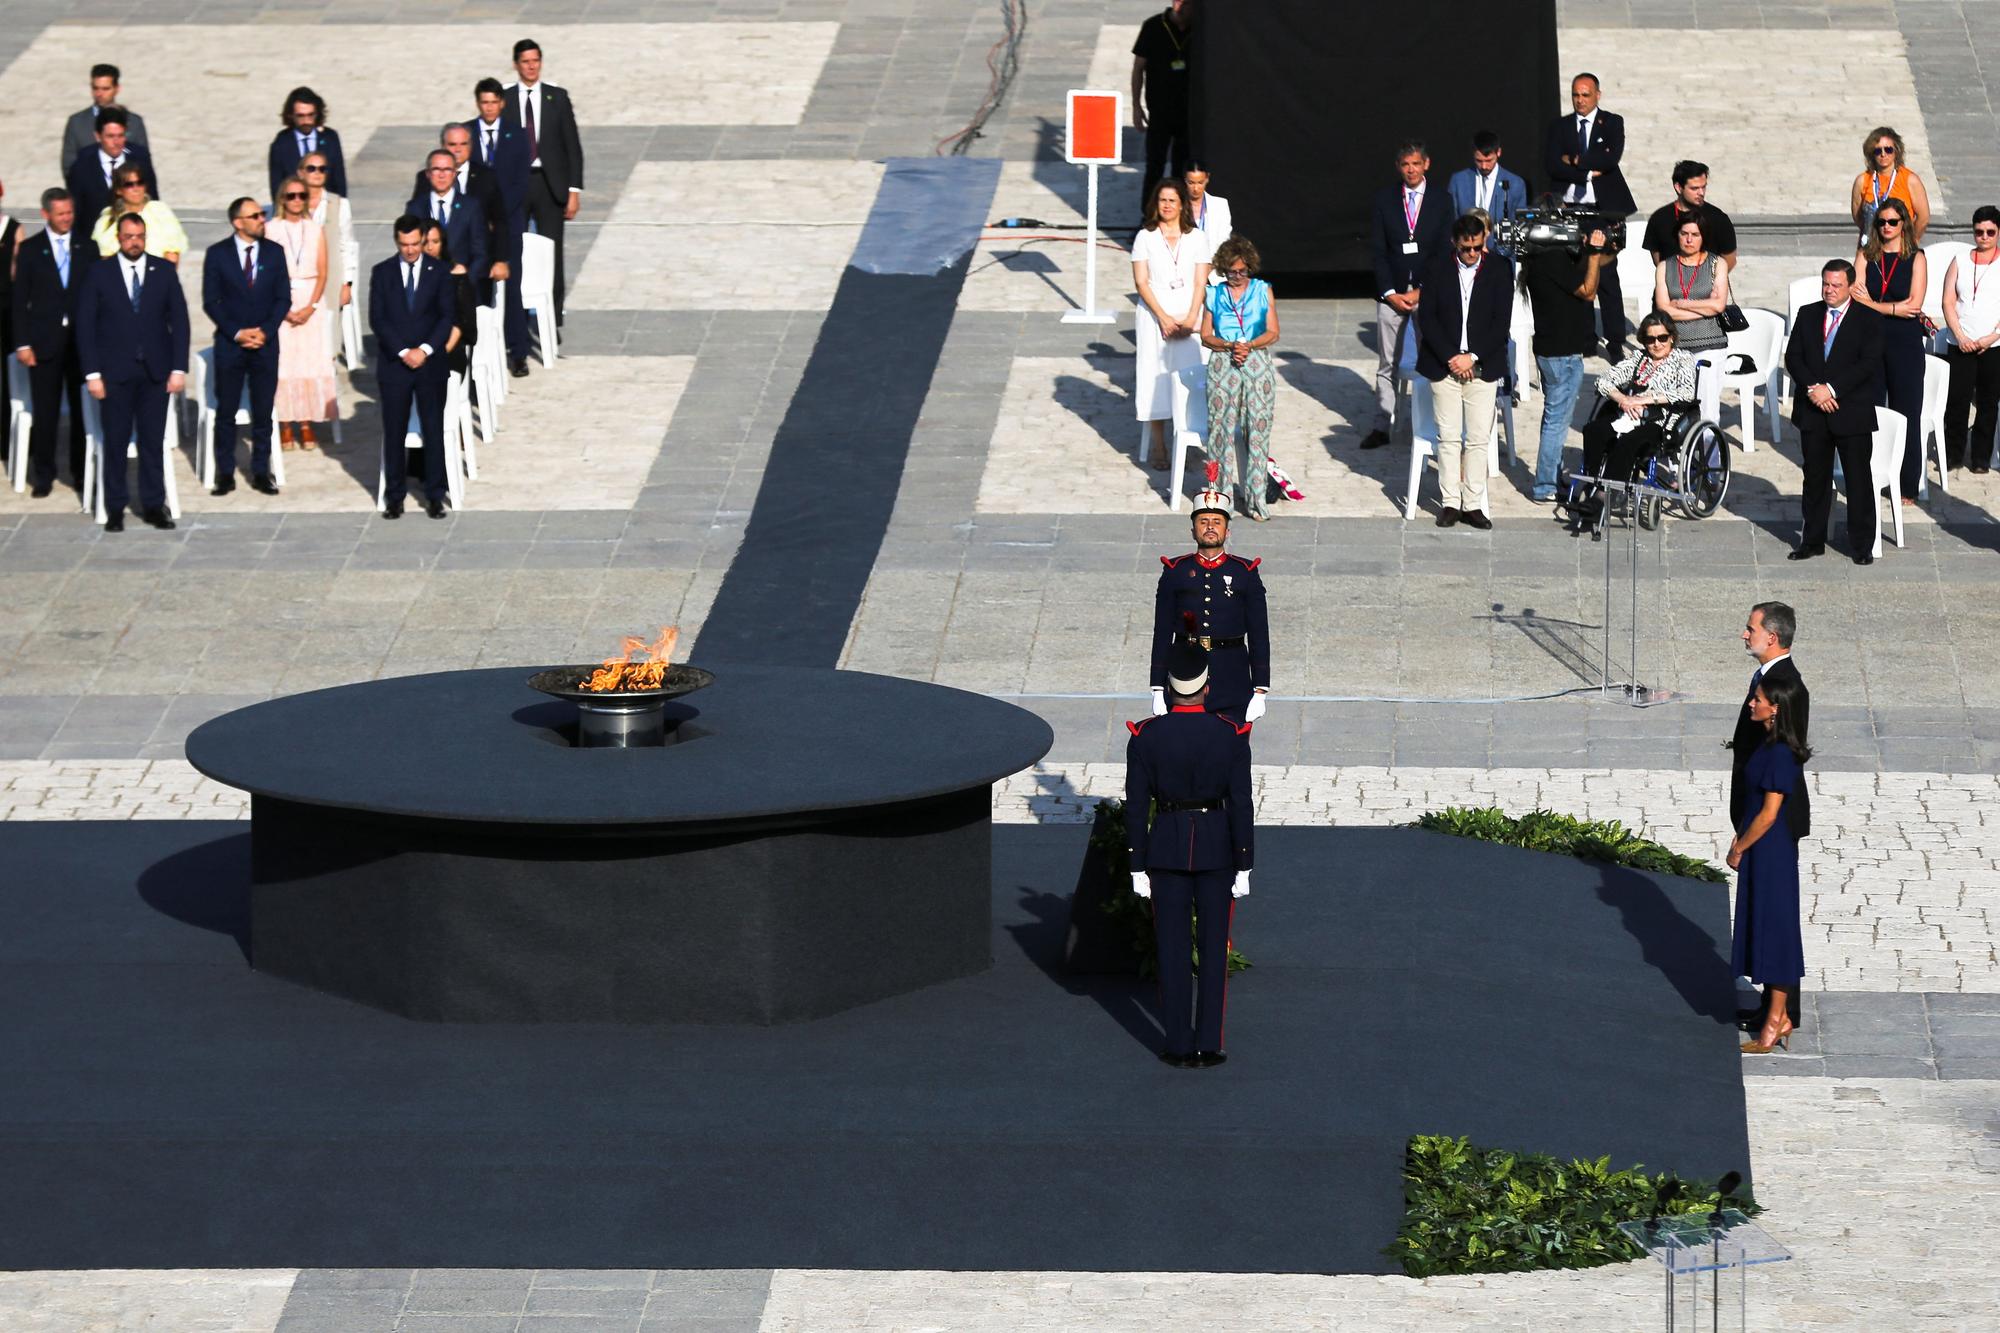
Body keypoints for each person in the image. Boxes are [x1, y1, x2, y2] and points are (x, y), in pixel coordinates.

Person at [1124, 642, 1254, 1069]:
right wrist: (1245, 861)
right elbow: (1240, 802)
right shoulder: (1229, 734)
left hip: (1166, 846)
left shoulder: (1146, 737)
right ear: (1207, 687)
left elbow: (1137, 806)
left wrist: (1137, 863)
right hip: (1218, 848)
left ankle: (1178, 1043)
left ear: (1169, 687)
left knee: (1173, 949)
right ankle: (1208, 1042)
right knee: (1214, 949)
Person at [75, 213, 188, 532]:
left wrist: (178, 368)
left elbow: (179, 321)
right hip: (115, 373)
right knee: (116, 441)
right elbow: (86, 326)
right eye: (128, 236)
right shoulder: (100, 273)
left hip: (155, 373)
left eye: (139, 236)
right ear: (118, 238)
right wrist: (93, 374)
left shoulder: (163, 271)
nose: (134, 241)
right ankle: (115, 507)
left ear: (145, 236)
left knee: (153, 442)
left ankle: (154, 505)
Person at [1727, 601, 1809, 1037]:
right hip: (1756, 811)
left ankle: (1782, 1012)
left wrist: (1743, 839)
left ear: (1772, 636)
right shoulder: (1766, 680)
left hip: (1771, 822)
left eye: (1750, 628)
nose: (1745, 635)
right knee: (1764, 910)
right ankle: (1768, 1009)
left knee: (1776, 914)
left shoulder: (1786, 687)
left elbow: (1786, 754)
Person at [1784, 260, 1884, 563]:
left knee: (1858, 481)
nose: (1829, 290)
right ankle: (1812, 540)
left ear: (1850, 286)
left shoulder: (1868, 318)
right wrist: (1815, 389)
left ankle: (1861, 545)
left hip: (1850, 411)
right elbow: (1793, 357)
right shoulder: (1808, 313)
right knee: (1814, 478)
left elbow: (1868, 364)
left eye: (1836, 285)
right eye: (1826, 284)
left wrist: (1833, 389)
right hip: (1814, 410)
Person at [1417, 215, 1512, 529]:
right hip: (1444, 366)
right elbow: (1428, 319)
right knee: (1448, 438)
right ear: (1454, 243)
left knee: (1478, 438)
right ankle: (1450, 502)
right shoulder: (1435, 268)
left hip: (1482, 366)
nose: (1472, 253)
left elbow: (1501, 323)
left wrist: (1471, 357)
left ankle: (1472, 503)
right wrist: (1451, 357)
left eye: (1477, 247)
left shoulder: (1499, 268)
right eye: (1466, 248)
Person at [1566, 311, 1697, 536]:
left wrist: (1645, 399)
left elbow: (1686, 392)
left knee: (1627, 443)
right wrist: (1624, 399)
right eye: (1650, 339)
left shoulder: (1683, 359)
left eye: (1662, 338)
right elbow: (1603, 381)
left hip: (1661, 420)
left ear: (1672, 337)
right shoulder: (1638, 359)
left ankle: (1602, 497)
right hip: (1627, 414)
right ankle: (1594, 485)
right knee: (1594, 430)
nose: (1656, 344)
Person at [1150, 479, 1270, 720]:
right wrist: (1157, 687)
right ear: (1193, 530)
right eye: (1203, 522)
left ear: (1227, 531)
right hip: (1185, 674)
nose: (1210, 527)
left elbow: (1259, 633)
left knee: (1231, 749)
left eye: (1217, 522)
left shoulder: (1244, 572)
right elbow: (1162, 631)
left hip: (1232, 675)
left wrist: (1260, 689)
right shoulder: (1175, 571)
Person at [1364, 141, 1454, 450]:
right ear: (1399, 167)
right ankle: (1382, 423)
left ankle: (1429, 422)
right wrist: (1391, 293)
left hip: (1427, 294)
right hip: (1392, 295)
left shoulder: (1442, 200)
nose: (1411, 170)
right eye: (1406, 165)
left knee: (1430, 358)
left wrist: (1422, 291)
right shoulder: (1385, 200)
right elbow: (1378, 250)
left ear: (1426, 164)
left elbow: (1444, 250)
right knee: (1387, 362)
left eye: (1416, 164)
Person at [200, 197, 290, 497]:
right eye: (254, 216)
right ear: (238, 222)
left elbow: (283, 299)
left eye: (262, 215)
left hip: (265, 345)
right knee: (226, 411)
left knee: (263, 411)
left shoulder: (274, 253)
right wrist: (237, 332)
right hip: (231, 345)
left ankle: (261, 471)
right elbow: (211, 300)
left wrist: (265, 331)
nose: (261, 220)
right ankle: (225, 473)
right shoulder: (217, 255)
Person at [10, 188, 97, 498]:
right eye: (60, 214)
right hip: (43, 344)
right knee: (45, 413)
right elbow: (20, 302)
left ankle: (80, 472)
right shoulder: (32, 250)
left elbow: (96, 296)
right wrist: (22, 344)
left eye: (70, 213)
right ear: (46, 214)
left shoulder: (87, 246)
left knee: (80, 411)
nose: (66, 219)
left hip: (79, 344)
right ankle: (44, 474)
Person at [369, 215, 455, 520]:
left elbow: (446, 316)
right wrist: (405, 351)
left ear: (423, 241)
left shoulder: (441, 272)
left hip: (430, 365)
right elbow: (378, 319)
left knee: (433, 429)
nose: (410, 250)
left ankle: (434, 494)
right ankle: (395, 496)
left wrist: (426, 350)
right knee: (394, 431)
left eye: (415, 244)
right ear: (396, 242)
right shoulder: (382, 273)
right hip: (396, 365)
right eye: (404, 245)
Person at [1543, 73, 1635, 358]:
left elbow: (1610, 158)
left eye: (1585, 95)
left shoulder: (1612, 122)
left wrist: (1574, 160)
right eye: (1575, 95)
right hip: (1570, 212)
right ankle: (1585, 338)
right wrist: (1586, 171)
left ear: (1597, 95)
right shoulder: (1560, 126)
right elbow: (1552, 166)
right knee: (1576, 272)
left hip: (1602, 211)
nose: (1580, 100)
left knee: (1606, 274)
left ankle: (1615, 339)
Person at [1520, 223, 1613, 503]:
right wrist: (1595, 254)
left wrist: (1600, 251)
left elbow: (1585, 269)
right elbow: (1588, 290)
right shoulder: (1555, 259)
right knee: (1557, 423)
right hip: (1563, 355)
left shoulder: (1537, 258)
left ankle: (1552, 475)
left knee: (1553, 418)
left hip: (1548, 351)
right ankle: (1545, 486)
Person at [1131, 177, 1213, 472]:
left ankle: (1191, 434)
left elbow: (1201, 280)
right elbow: (1141, 282)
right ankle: (1159, 443)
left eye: (1172, 201)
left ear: (1181, 205)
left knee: (1191, 376)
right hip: (1156, 314)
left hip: (1189, 310)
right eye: (1162, 200)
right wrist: (1164, 318)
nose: (1166, 206)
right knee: (1156, 375)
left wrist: (1192, 317)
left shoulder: (1197, 237)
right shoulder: (1146, 236)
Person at [1198, 238, 1279, 521]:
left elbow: (1273, 331)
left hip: (1256, 361)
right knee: (1219, 432)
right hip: (1223, 361)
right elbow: (1205, 335)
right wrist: (1230, 345)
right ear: (1224, 269)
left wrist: (1250, 345)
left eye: (1242, 271)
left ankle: (1256, 499)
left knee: (1257, 432)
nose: (1237, 276)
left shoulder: (1262, 290)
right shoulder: (1214, 294)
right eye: (1232, 271)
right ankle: (1220, 498)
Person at [1851, 197, 1927, 501]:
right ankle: (1871, 474)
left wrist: (1873, 305)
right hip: (1870, 340)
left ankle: (1907, 483)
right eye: (1881, 222)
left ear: (1903, 224)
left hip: (1904, 343)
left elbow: (1915, 305)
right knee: (1871, 408)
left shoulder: (1916, 257)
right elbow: (1855, 297)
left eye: (1892, 222)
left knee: (1906, 411)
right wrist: (1891, 308)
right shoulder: (1866, 254)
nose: (1886, 227)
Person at [506, 39, 585, 331]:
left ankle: (552, 318)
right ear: (516, 64)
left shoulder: (557, 97)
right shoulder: (504, 99)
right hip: (516, 185)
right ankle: (514, 318)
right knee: (514, 249)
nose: (531, 66)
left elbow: (572, 147)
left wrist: (573, 191)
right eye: (525, 61)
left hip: (550, 186)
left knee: (552, 252)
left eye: (536, 60)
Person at [267, 176, 335, 451]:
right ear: (282, 199)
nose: (296, 201)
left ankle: (306, 423)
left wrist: (311, 306)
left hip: (309, 299)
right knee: (285, 364)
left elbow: (322, 271)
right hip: (281, 301)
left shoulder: (315, 229)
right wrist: (282, 308)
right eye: (291, 196)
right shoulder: (271, 229)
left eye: (301, 196)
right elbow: (267, 271)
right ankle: (285, 423)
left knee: (309, 363)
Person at [472, 76, 534, 376]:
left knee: (512, 287)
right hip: (475, 225)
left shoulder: (517, 135)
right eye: (484, 102)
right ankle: (481, 348)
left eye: (494, 102)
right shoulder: (467, 133)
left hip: (508, 223)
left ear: (502, 103)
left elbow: (520, 181)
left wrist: (497, 215)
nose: (489, 108)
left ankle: (518, 351)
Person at [1940, 207, 2000, 473]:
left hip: (1993, 344)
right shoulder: (1960, 260)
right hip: (1960, 342)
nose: (1984, 237)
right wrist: (1961, 335)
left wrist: (1991, 337)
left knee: (1988, 402)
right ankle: (1953, 454)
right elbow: (1948, 300)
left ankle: (1980, 459)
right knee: (1957, 401)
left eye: (1990, 232)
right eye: (1979, 232)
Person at [1130, 0, 1193, 217]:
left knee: (1182, 168)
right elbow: (1138, 68)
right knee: (1154, 166)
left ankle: (1179, 217)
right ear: (1177, 5)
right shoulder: (1154, 27)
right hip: (1160, 112)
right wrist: (1136, 106)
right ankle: (1148, 217)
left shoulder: (1199, 28)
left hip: (1189, 113)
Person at [407, 149, 490, 294]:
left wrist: (464, 280)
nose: (441, 175)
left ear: (454, 173)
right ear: (428, 174)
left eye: (447, 169)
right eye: (436, 169)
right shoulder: (415, 207)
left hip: (462, 288)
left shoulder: (470, 207)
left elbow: (480, 252)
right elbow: (409, 249)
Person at [64, 109, 159, 230]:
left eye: (120, 135)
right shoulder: (82, 164)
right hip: (95, 238)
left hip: (136, 237)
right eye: (110, 136)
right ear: (98, 136)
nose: (116, 142)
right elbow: (76, 209)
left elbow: (153, 198)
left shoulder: (140, 158)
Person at [297, 152, 353, 356]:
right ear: (300, 172)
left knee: (328, 332)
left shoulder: (339, 204)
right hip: (299, 278)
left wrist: (347, 283)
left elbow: (346, 245)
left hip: (330, 275)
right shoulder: (292, 201)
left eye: (322, 169)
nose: (317, 173)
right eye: (311, 168)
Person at [1651, 211, 1729, 356]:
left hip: (1711, 342)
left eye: (1695, 235)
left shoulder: (1717, 263)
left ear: (1703, 237)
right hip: (1674, 345)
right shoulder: (1664, 267)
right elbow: (1664, 310)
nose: (1689, 240)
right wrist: (1706, 308)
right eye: (1684, 234)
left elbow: (1719, 306)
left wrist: (1682, 304)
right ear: (1677, 235)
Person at [1641, 161, 1738, 269]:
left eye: (1703, 187)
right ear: (1678, 188)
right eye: (1694, 188)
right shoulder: (1659, 219)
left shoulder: (1718, 219)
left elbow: (1730, 260)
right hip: (1671, 284)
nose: (1701, 193)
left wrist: (1711, 281)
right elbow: (1658, 262)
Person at [61, 64, 149, 173]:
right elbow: (69, 165)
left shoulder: (135, 123)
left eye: (105, 89)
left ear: (117, 89)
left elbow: (143, 162)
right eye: (95, 88)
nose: (99, 94)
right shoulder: (77, 123)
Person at [88, 166, 186, 263]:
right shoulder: (108, 217)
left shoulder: (160, 211)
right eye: (129, 185)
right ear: (118, 190)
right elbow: (105, 259)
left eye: (140, 183)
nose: (136, 189)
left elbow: (172, 255)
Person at [420, 219, 479, 378]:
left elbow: (461, 323)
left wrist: (439, 352)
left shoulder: (456, 274)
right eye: (425, 242)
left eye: (435, 241)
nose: (430, 247)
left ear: (442, 243)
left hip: (448, 348)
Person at [1447, 131, 1528, 247]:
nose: (1484, 166)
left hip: (1500, 254)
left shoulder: (1515, 184)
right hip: (1467, 252)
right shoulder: (1458, 181)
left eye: (1489, 160)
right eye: (1479, 161)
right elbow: (1452, 220)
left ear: (1498, 152)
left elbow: (1519, 223)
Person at [1850, 127, 1929, 244]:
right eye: (1877, 151)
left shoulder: (1910, 180)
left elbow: (1923, 217)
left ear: (1896, 151)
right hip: (1870, 246)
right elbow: (1858, 216)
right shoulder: (1862, 180)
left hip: (1901, 247)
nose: (1883, 154)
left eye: (1888, 150)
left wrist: (1912, 240)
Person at [267, 87, 347, 200]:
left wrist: (339, 208)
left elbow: (339, 180)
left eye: (311, 115)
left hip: (326, 206)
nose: (306, 121)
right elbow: (277, 187)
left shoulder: (330, 138)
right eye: (300, 116)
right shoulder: (281, 143)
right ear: (291, 115)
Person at [1183, 162, 1232, 271]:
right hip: (1185, 272)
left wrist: (1209, 267)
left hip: (1214, 272)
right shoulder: (1178, 206)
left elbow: (1224, 240)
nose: (1196, 188)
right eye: (1191, 183)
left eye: (1200, 182)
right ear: (1185, 180)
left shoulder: (1220, 205)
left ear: (1207, 178)